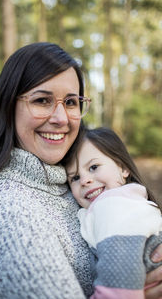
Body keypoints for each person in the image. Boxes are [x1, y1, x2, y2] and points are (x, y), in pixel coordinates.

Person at [0, 42, 162, 299]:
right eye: (42, 100)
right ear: (8, 106)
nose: (61, 118)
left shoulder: (68, 183)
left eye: (70, 102)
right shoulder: (10, 209)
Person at [64, 127, 162, 299]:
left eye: (93, 167)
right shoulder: (122, 202)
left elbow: (119, 287)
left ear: (123, 168)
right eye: (75, 178)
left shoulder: (113, 206)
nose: (85, 180)